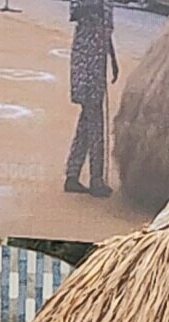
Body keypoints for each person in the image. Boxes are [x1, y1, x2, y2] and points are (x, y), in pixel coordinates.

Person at [64, 0, 117, 198]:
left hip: (99, 64)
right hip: (85, 63)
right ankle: (96, 180)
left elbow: (106, 32)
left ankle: (72, 174)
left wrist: (113, 60)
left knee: (87, 123)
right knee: (95, 123)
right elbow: (74, 12)